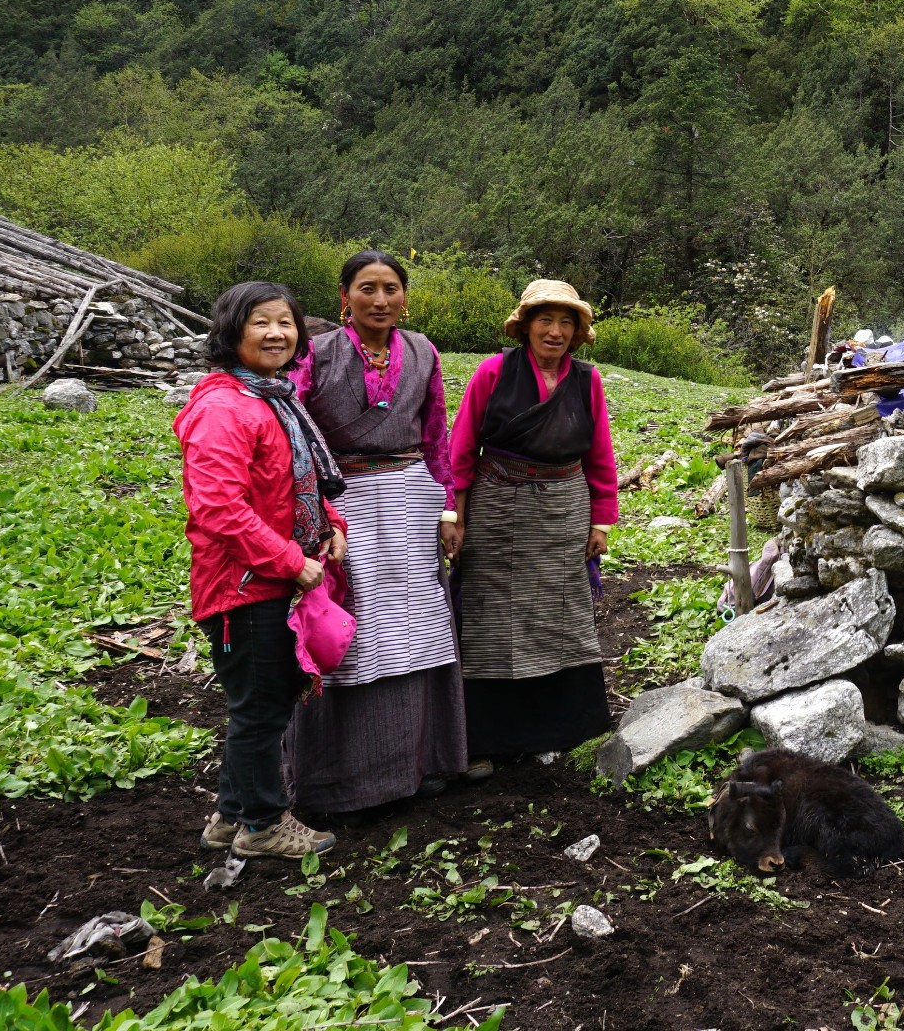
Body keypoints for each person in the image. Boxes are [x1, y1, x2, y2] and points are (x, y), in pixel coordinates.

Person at [284, 251, 466, 815]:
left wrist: (449, 507)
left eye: (391, 288)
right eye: (367, 288)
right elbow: (294, 431)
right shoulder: (315, 353)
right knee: (350, 622)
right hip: (345, 500)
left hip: (412, 497)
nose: (380, 300)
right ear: (345, 295)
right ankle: (339, 779)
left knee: (415, 622)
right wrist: (311, 513)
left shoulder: (422, 351)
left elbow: (436, 434)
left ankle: (421, 761)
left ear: (404, 297)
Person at [173, 281, 346, 859]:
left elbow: (292, 480)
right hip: (242, 586)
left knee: (260, 705)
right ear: (231, 333)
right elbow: (219, 508)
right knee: (261, 709)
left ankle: (230, 818)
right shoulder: (223, 408)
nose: (276, 334)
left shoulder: (271, 398)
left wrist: (330, 524)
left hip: (269, 579)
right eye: (260, 323)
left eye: (285, 323)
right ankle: (264, 825)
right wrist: (290, 562)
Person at [444, 279, 619, 776]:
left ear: (578, 331)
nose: (556, 331)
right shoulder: (494, 371)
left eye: (567, 322)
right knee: (488, 616)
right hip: (496, 506)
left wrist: (601, 520)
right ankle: (484, 738)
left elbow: (600, 457)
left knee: (558, 615)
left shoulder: (587, 381)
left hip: (563, 510)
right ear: (525, 325)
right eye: (546, 320)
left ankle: (559, 730)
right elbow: (461, 450)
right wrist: (454, 515)